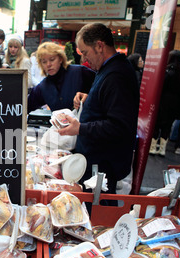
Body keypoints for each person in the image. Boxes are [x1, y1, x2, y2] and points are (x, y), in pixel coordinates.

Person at [58, 23, 139, 196]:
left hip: (103, 169)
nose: (85, 59)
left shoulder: (117, 75)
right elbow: (108, 103)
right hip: (96, 163)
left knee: (99, 214)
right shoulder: (109, 69)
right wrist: (90, 98)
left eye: (85, 52)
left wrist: (80, 128)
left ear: (99, 46)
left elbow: (119, 125)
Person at [27, 42, 95, 113]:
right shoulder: (43, 87)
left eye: (52, 59)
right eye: (44, 62)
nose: (48, 64)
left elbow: (103, 92)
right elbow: (25, 107)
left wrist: (88, 98)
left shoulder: (80, 72)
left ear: (60, 59)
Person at [150, 50, 180, 156]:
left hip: (163, 101)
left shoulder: (168, 71)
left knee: (157, 124)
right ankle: (162, 149)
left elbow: (161, 85)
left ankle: (152, 148)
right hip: (176, 102)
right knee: (167, 126)